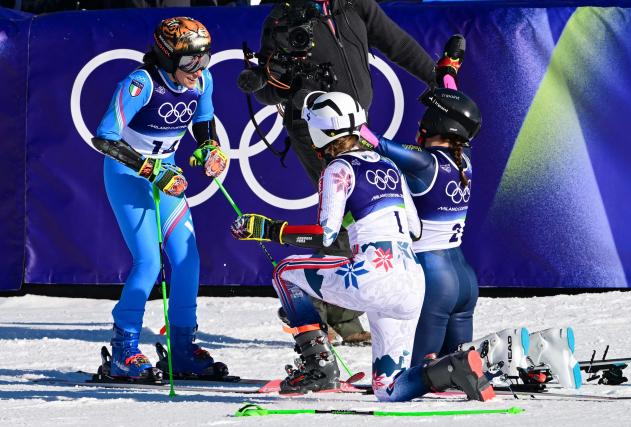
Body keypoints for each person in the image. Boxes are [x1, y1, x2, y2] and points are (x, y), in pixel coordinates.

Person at [230, 91, 495, 402]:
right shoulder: (389, 164)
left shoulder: (338, 169)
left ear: (319, 133)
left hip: (371, 276)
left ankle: (318, 367)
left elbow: (324, 235)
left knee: (285, 273)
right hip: (410, 283)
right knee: (389, 390)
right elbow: (415, 227)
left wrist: (271, 230)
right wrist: (360, 217)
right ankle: (453, 367)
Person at [237, 0, 442, 340]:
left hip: (356, 124)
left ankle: (340, 314)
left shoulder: (356, 4)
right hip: (316, 130)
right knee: (343, 216)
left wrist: (438, 79)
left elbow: (398, 43)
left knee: (359, 215)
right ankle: (317, 318)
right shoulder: (282, 17)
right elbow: (266, 87)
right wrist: (287, 83)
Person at [363, 88, 582, 389]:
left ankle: (513, 350)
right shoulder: (463, 158)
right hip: (463, 278)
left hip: (432, 279)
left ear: (431, 127)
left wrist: (343, 118)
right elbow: (458, 114)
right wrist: (449, 75)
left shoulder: (425, 163)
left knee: (412, 376)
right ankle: (536, 346)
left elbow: (378, 144)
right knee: (459, 367)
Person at [91, 17, 228, 380]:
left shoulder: (203, 81)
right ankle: (123, 348)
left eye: (204, 60)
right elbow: (104, 138)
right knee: (149, 262)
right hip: (129, 176)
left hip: (168, 175)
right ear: (167, 57)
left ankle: (181, 348)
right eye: (188, 62)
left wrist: (209, 148)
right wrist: (150, 170)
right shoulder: (141, 84)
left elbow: (204, 120)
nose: (197, 70)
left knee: (187, 258)